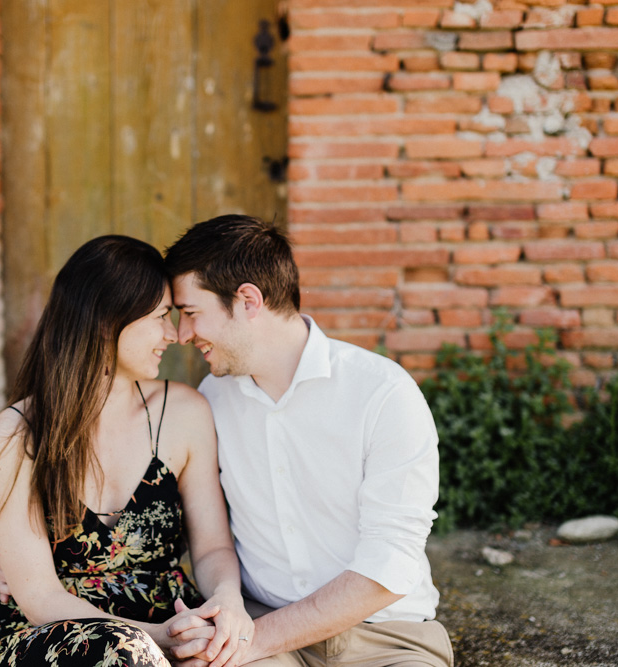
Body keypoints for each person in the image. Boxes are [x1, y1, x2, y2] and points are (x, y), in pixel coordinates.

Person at [161, 215, 453, 667]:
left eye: (191, 314)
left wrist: (255, 641)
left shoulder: (382, 393)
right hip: (258, 628)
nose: (182, 335)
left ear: (247, 300)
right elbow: (193, 523)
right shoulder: (211, 400)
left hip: (386, 639)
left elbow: (389, 564)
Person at [0, 235, 253, 667]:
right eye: (163, 316)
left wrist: (224, 602)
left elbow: (212, 548)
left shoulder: (184, 413)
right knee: (126, 655)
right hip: (57, 637)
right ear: (108, 321)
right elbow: (38, 597)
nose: (175, 334)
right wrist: (155, 639)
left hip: (172, 620)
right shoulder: (16, 435)